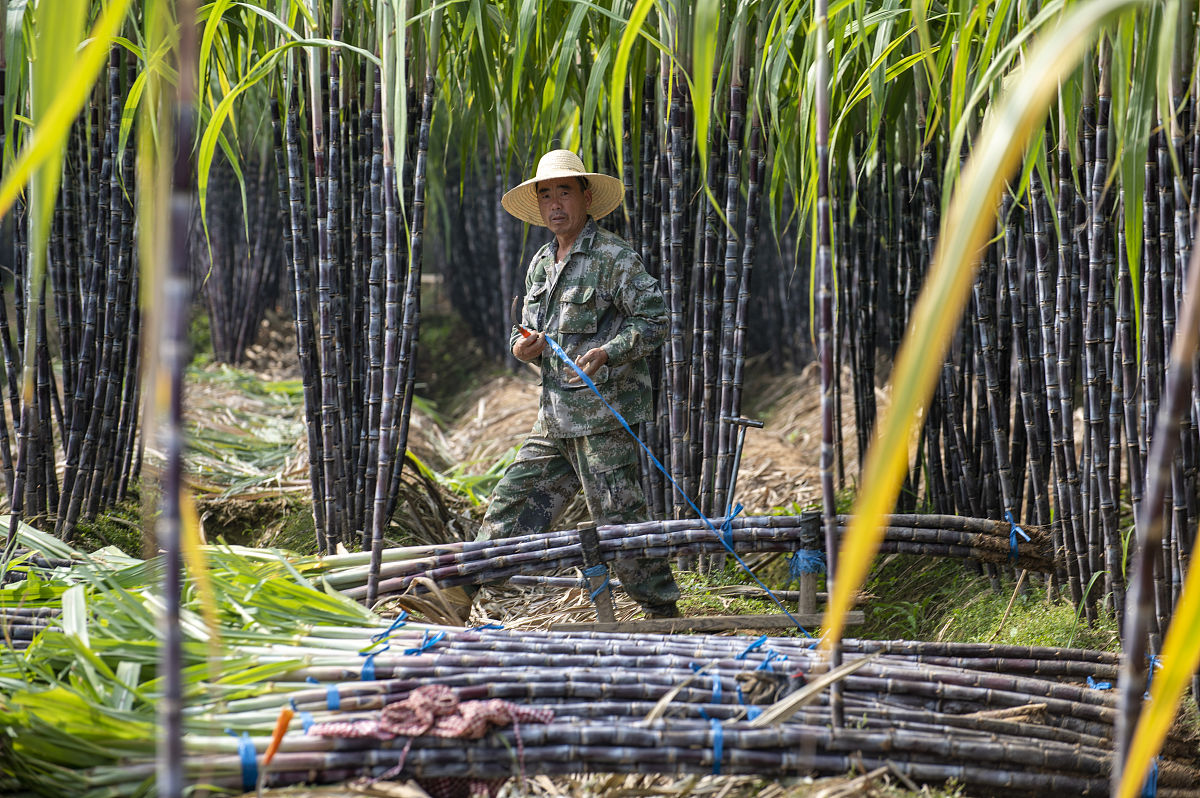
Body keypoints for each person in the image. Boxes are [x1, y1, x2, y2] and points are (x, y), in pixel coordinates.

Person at [475, 149, 680, 619]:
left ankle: (665, 614)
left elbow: (655, 320)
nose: (554, 205)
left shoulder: (612, 257)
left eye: (563, 192)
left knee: (620, 527)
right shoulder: (541, 263)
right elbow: (524, 329)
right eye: (545, 195)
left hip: (602, 420)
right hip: (553, 420)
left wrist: (608, 351)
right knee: (510, 506)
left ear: (586, 197)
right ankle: (457, 594)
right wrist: (522, 347)